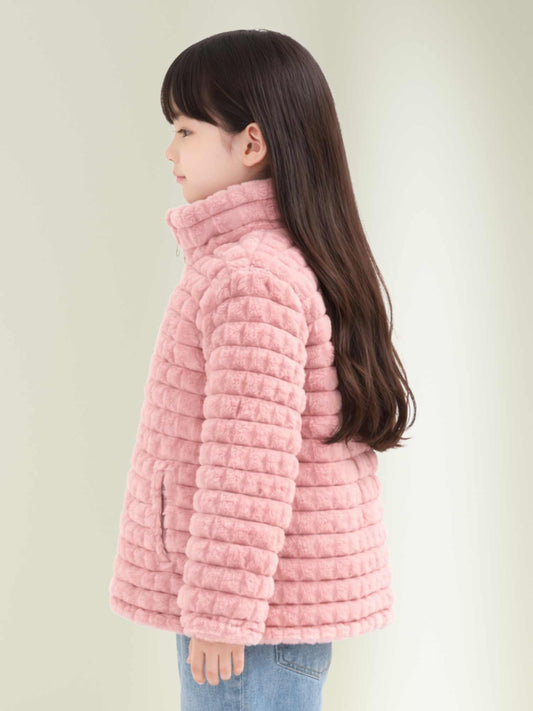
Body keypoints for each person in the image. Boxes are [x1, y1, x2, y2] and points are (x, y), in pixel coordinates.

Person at [109, 28, 416, 711]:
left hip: (249, 621)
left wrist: (220, 611)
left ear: (251, 144)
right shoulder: (260, 261)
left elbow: (247, 463)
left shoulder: (250, 277)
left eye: (185, 130)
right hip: (261, 612)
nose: (170, 151)